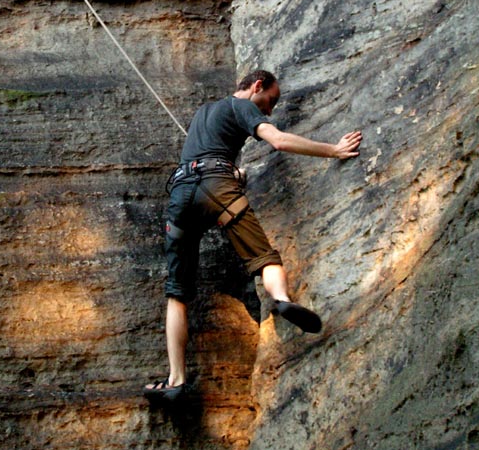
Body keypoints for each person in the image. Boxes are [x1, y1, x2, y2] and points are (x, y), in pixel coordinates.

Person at [144, 70, 362, 403]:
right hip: (217, 186)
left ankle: (175, 381)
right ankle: (283, 299)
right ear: (256, 86)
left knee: (177, 293)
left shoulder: (204, 112)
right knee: (264, 257)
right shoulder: (242, 106)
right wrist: (333, 150)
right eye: (270, 101)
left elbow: (205, 153)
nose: (269, 110)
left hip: (180, 195)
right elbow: (278, 140)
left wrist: (234, 172)